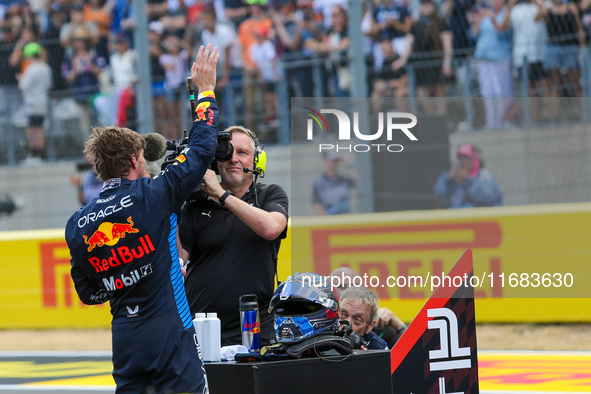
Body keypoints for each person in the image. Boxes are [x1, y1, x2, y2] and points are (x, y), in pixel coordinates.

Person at [65, 44, 220, 394]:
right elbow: (201, 151)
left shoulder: (77, 223)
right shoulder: (152, 194)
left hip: (125, 340)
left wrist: (123, 275)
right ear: (136, 160)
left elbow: (88, 295)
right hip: (169, 332)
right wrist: (205, 92)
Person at [179, 125, 289, 347]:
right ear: (215, 161)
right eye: (226, 152)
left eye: (242, 153)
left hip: (256, 326)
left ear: (257, 160)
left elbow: (271, 228)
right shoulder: (194, 205)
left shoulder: (270, 194)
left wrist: (220, 194)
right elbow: (177, 260)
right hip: (202, 327)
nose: (233, 159)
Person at [330, 266, 407, 348]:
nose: (342, 292)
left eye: (357, 319)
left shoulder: (380, 330)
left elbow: (413, 355)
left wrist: (401, 327)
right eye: (335, 288)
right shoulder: (318, 325)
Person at [434, 143, 503, 208]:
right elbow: (439, 194)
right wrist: (447, 180)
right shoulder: (453, 175)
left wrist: (467, 181)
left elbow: (487, 198)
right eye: (461, 158)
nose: (463, 162)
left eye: (467, 158)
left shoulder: (484, 175)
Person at [18, 42, 52, 162]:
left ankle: (34, 154)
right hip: (43, 101)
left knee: (32, 129)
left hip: (32, 103)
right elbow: (49, 85)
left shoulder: (31, 68)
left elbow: (23, 86)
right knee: (40, 128)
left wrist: (20, 78)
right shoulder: (46, 67)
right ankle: (40, 155)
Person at [312, 151, 356, 215]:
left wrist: (346, 163)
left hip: (346, 220)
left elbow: (355, 179)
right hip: (331, 221)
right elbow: (317, 204)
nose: (334, 163)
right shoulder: (318, 183)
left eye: (336, 160)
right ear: (325, 159)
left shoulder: (343, 179)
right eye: (331, 160)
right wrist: (327, 221)